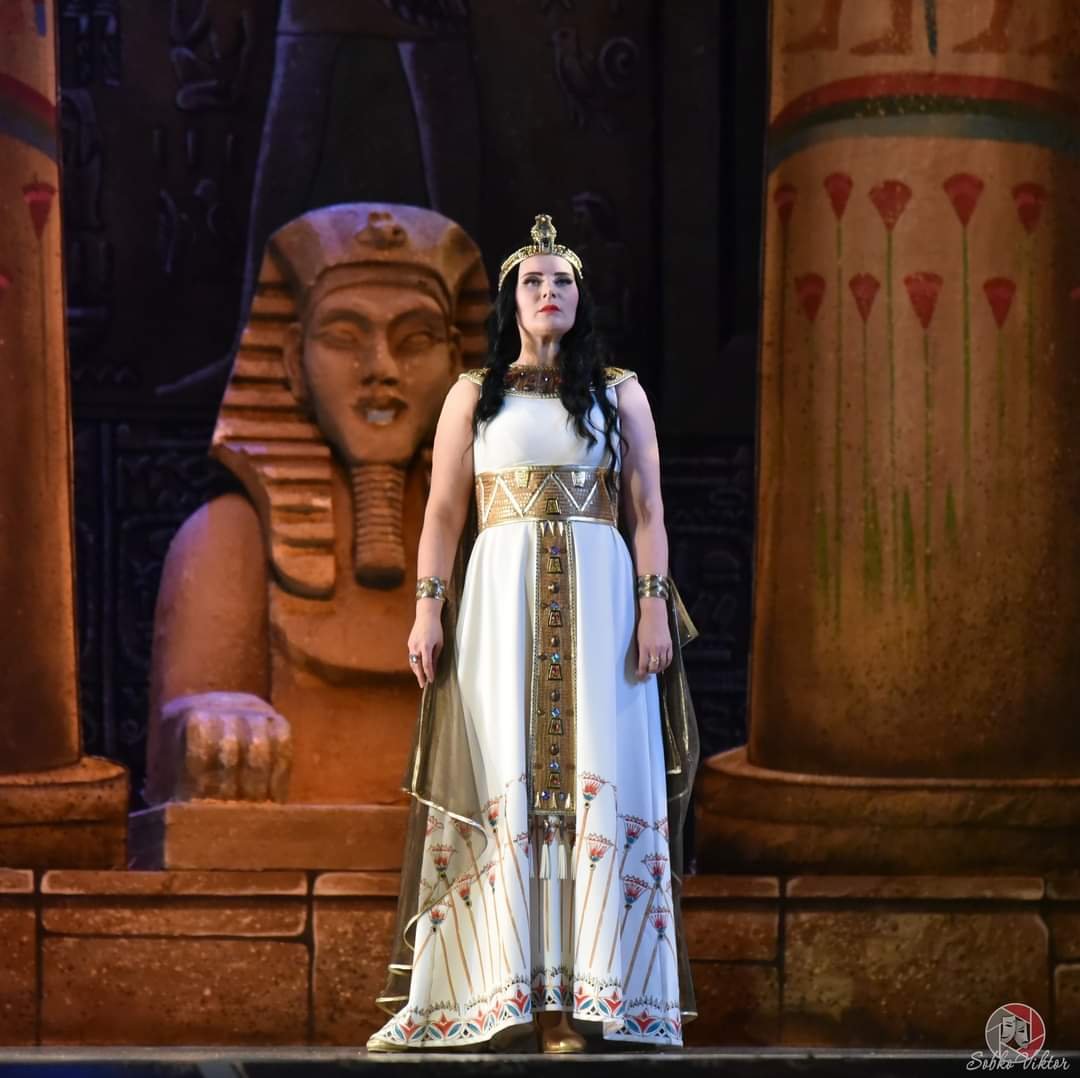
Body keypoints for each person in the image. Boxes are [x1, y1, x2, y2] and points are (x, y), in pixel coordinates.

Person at [367, 214, 700, 1053]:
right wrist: (428, 607)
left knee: (593, 774)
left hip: (602, 602)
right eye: (532, 281)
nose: (548, 292)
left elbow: (648, 513)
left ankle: (586, 1000)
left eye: (561, 281)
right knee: (507, 776)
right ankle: (496, 992)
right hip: (501, 601)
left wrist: (652, 605)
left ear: (581, 299)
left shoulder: (619, 392)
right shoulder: (473, 394)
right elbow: (443, 513)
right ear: (511, 300)